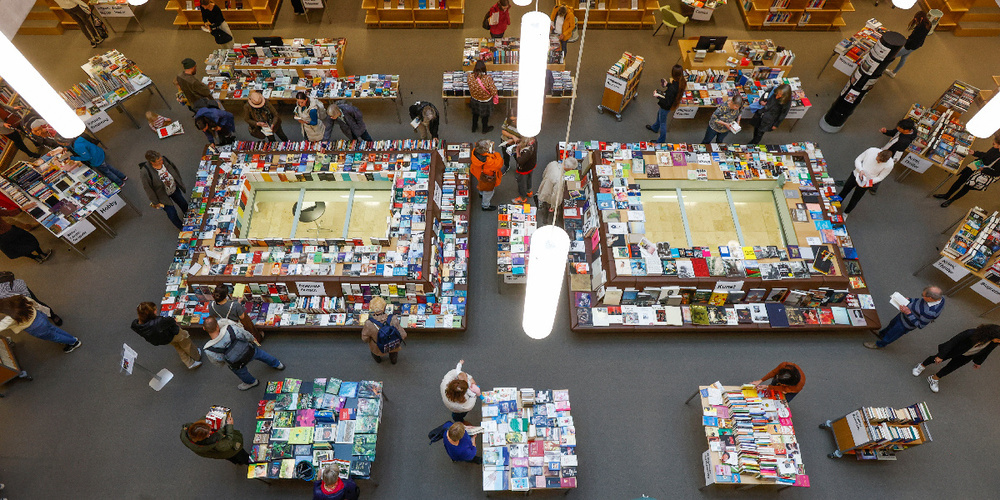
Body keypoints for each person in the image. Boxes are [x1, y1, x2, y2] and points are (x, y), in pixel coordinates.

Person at [203, 316, 284, 390]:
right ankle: (277, 364)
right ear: (217, 325)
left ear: (204, 329)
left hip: (236, 363)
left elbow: (218, 362)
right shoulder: (230, 329)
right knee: (261, 355)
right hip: (248, 350)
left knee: (242, 373)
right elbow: (246, 335)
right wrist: (252, 340)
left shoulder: (209, 349)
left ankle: (251, 382)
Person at [913, 324, 1000, 393]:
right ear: (992, 334)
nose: (999, 342)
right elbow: (953, 341)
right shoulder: (971, 333)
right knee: (935, 359)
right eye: (998, 340)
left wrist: (978, 362)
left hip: (967, 356)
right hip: (954, 350)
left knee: (951, 368)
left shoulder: (993, 343)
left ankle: (934, 378)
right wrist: (941, 355)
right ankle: (921, 365)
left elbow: (987, 352)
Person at [864, 286, 945, 349]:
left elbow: (920, 325)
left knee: (892, 334)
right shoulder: (940, 297)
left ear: (930, 298)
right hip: (904, 315)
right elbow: (920, 301)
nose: (922, 297)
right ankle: (882, 334)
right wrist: (911, 300)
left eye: (923, 296)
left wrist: (908, 313)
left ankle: (879, 344)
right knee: (892, 324)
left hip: (905, 324)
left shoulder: (930, 313)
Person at [131, 302, 202, 369]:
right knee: (187, 344)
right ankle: (196, 356)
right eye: (155, 310)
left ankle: (189, 363)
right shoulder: (159, 321)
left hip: (164, 339)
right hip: (173, 334)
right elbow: (171, 320)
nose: (157, 310)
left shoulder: (136, 325)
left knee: (178, 347)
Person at [935, 134, 1000, 207]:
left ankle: (951, 200)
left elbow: (997, 173)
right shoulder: (995, 148)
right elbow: (987, 155)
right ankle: (947, 195)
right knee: (960, 180)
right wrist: (975, 153)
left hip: (985, 173)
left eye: (994, 143)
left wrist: (983, 170)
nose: (992, 144)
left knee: (967, 187)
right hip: (979, 164)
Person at [0, 295, 81, 353]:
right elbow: (34, 303)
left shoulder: (10, 318)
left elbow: (1, 326)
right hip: (40, 316)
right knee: (53, 329)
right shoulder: (18, 298)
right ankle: (72, 338)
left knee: (54, 337)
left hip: (35, 327)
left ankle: (73, 342)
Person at [139, 150, 189, 230]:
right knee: (172, 214)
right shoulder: (145, 172)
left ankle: (190, 217)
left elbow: (174, 169)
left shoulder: (164, 160)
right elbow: (148, 188)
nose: (162, 161)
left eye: (161, 159)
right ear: (152, 162)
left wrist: (179, 181)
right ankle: (182, 228)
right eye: (159, 161)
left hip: (173, 188)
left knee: (182, 202)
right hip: (162, 195)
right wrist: (156, 202)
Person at [837, 148, 894, 217]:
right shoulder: (871, 150)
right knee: (845, 190)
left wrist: (869, 181)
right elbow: (858, 160)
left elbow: (881, 177)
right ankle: (836, 203)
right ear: (878, 154)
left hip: (867, 183)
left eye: (880, 162)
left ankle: (846, 213)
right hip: (856, 175)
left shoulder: (890, 165)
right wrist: (861, 170)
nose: (878, 162)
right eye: (878, 160)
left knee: (855, 198)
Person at [57, 135, 126, 185]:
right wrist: (66, 147)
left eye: (63, 144)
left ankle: (120, 183)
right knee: (108, 166)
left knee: (107, 172)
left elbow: (87, 157)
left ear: (65, 142)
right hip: (98, 153)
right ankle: (123, 176)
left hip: (96, 159)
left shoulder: (78, 147)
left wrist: (72, 158)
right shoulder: (77, 139)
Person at [180, 416, 249, 465]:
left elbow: (204, 420)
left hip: (218, 453)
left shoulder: (188, 433)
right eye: (209, 431)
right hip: (230, 451)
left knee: (231, 458)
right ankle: (247, 462)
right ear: (205, 437)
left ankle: (237, 462)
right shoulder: (217, 443)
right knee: (241, 456)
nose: (211, 429)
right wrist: (229, 426)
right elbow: (229, 441)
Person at [884, 11, 932, 78]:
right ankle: (893, 72)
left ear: (921, 18)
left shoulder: (920, 27)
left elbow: (915, 38)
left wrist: (906, 41)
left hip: (910, 46)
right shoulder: (928, 24)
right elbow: (917, 37)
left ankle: (882, 69)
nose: (915, 20)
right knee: (904, 57)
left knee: (893, 55)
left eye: (916, 19)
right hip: (916, 45)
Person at [361, 296, 407, 364]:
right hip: (393, 344)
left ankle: (378, 361)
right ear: (384, 307)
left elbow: (364, 339)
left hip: (378, 346)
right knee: (393, 353)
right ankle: (393, 361)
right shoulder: (393, 318)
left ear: (372, 309)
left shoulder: (369, 323)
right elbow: (403, 334)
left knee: (375, 353)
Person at [646, 65, 685, 144]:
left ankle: (661, 140)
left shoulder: (672, 89)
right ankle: (655, 127)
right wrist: (667, 84)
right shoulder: (682, 82)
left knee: (663, 122)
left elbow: (667, 102)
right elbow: (674, 89)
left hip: (666, 106)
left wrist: (658, 96)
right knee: (659, 114)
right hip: (672, 104)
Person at [537, 157, 577, 226]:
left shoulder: (553, 163)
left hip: (544, 188)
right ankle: (546, 219)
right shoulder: (559, 179)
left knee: (544, 204)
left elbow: (544, 173)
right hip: (549, 196)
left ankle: (544, 215)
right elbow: (555, 195)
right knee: (548, 207)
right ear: (570, 169)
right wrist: (553, 206)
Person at [470, 139, 503, 211]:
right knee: (488, 191)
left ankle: (481, 193)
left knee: (481, 183)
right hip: (487, 177)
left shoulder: (475, 151)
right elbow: (499, 163)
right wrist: (496, 153)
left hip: (478, 172)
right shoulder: (489, 161)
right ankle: (485, 206)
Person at [469, 60, 498, 134]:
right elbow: (493, 91)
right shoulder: (487, 79)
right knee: (485, 116)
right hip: (485, 101)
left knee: (475, 114)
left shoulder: (470, 76)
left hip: (474, 99)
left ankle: (474, 127)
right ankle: (484, 129)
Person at [512, 137, 537, 204]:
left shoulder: (526, 151)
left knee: (521, 182)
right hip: (531, 165)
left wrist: (517, 151)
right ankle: (529, 191)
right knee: (529, 177)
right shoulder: (534, 141)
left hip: (523, 169)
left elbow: (520, 161)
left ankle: (522, 198)